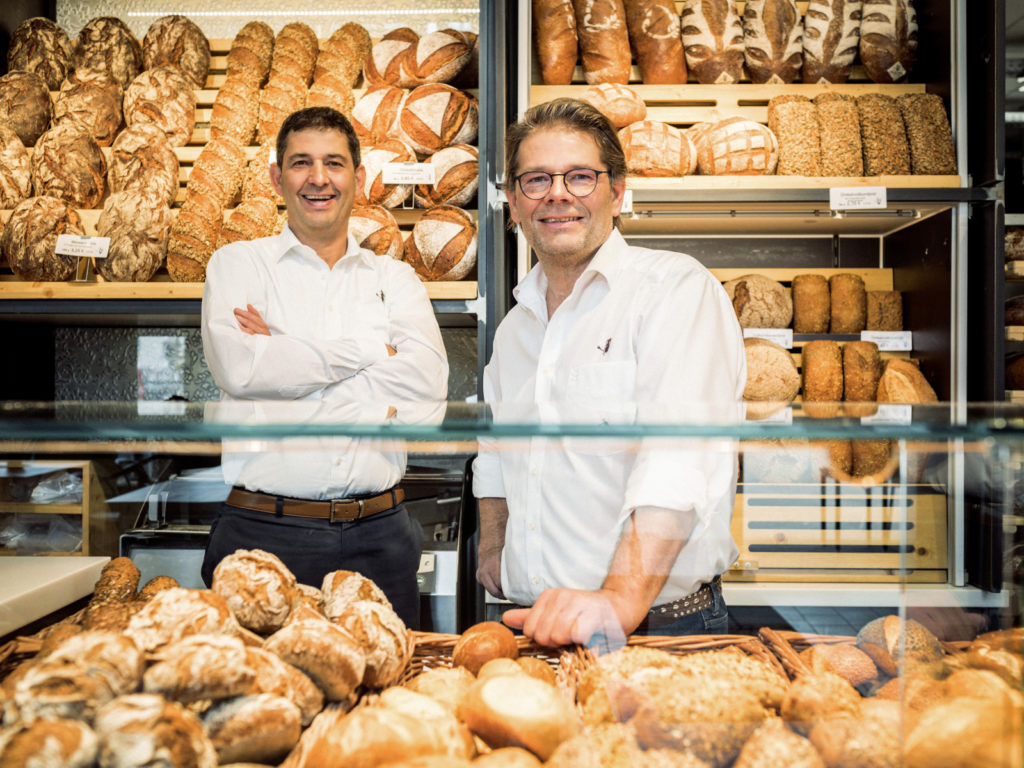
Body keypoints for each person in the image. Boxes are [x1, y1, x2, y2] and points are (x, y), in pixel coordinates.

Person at [472, 98, 746, 646]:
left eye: (580, 177)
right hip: (537, 625)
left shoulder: (673, 291)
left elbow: (679, 460)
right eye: (535, 180)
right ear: (512, 203)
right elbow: (496, 456)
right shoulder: (515, 329)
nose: (557, 194)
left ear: (617, 193)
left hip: (656, 630)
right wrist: (494, 553)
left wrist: (620, 600)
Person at [200, 107, 448, 628]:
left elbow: (425, 400)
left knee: (384, 701)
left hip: (381, 535)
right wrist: (370, 354)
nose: (318, 178)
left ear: (358, 179)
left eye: (334, 163)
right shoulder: (238, 263)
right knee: (258, 703)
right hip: (262, 534)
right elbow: (242, 371)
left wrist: (289, 356)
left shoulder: (396, 278)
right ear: (276, 176)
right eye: (300, 163)